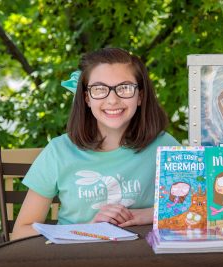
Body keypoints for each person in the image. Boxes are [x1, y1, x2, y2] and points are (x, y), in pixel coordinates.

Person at [12, 48, 180, 239]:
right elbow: (20, 232)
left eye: (124, 87)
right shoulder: (58, 152)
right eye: (100, 89)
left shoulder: (165, 146)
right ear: (87, 98)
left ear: (140, 96)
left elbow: (198, 211)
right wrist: (89, 229)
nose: (112, 99)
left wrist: (148, 214)